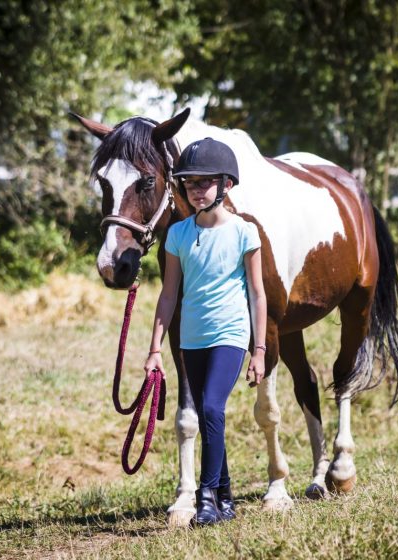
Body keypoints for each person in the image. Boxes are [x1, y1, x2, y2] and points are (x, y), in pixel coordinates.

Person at [144, 137, 267, 526]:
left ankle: (208, 496)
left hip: (230, 335)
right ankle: (228, 497)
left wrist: (259, 349)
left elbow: (258, 296)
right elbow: (168, 296)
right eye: (189, 184)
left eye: (204, 182)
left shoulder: (245, 233)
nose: (196, 191)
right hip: (191, 339)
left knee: (211, 409)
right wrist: (155, 349)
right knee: (211, 418)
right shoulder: (178, 236)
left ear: (226, 184)